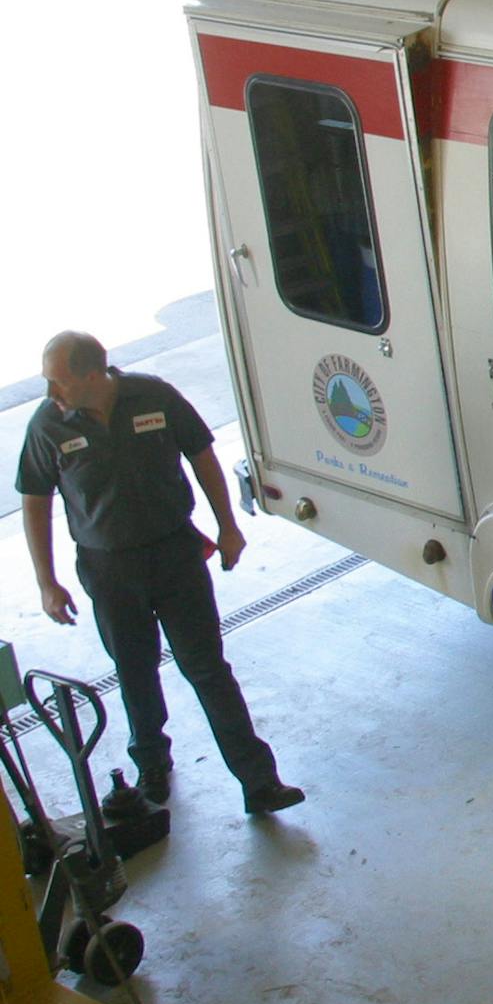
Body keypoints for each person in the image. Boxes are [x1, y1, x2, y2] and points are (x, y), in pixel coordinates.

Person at [14, 332, 303, 816]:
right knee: (135, 670)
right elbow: (35, 500)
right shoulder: (47, 425)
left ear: (92, 375)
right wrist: (47, 581)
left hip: (176, 557)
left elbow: (202, 455)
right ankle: (151, 765)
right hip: (109, 570)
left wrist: (228, 526)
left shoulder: (155, 397)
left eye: (58, 382)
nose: (50, 393)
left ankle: (259, 781)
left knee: (208, 667)